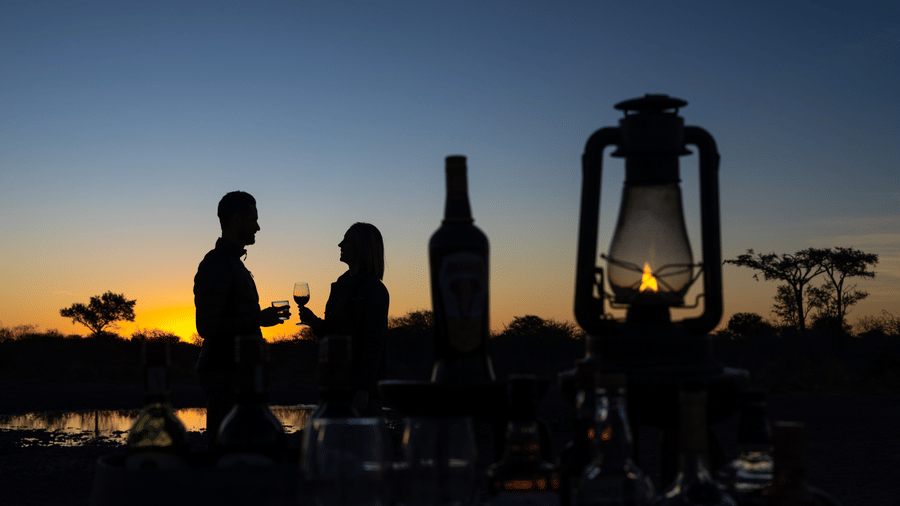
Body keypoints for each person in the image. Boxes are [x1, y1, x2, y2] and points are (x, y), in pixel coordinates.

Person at [193, 191, 289, 447]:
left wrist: (258, 320)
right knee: (222, 449)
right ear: (237, 220)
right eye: (253, 219)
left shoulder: (232, 262)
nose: (258, 226)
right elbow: (207, 326)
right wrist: (257, 319)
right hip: (223, 372)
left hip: (235, 373)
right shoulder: (217, 263)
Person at [298, 222, 390, 416]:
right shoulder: (341, 286)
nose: (340, 244)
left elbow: (373, 343)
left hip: (358, 391)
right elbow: (337, 335)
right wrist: (316, 323)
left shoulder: (375, 290)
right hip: (334, 385)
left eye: (346, 240)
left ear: (361, 247)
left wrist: (363, 389)